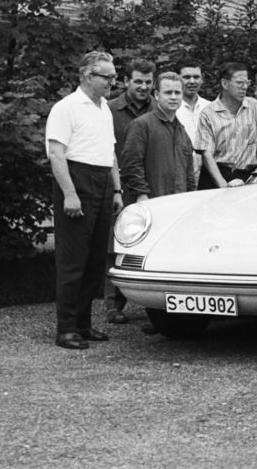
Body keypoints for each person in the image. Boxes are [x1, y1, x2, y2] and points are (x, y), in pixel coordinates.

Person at [45, 50, 124, 350]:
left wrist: (116, 190)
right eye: (108, 77)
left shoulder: (104, 108)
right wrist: (69, 194)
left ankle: (83, 324)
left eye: (114, 76)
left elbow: (110, 152)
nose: (112, 82)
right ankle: (66, 329)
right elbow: (56, 153)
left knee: (94, 261)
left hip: (102, 181)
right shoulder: (66, 108)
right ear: (88, 76)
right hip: (77, 180)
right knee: (73, 261)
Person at [104, 57, 155, 325]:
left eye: (148, 82)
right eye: (138, 81)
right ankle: (114, 304)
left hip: (150, 185)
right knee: (117, 244)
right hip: (121, 185)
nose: (143, 87)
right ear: (126, 82)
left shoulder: (159, 109)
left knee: (151, 244)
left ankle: (153, 307)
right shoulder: (110, 109)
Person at [119, 71, 197, 202]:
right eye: (168, 92)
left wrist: (190, 199)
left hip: (178, 204)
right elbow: (131, 165)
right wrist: (141, 195)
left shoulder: (182, 132)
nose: (173, 97)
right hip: (149, 204)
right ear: (156, 95)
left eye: (177, 93)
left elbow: (189, 175)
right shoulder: (142, 125)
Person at [195, 62, 257, 189]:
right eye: (239, 83)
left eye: (247, 82)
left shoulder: (254, 106)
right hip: (216, 177)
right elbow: (207, 155)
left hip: (248, 176)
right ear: (225, 84)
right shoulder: (208, 114)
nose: (244, 87)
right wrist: (223, 185)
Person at [175, 62, 212, 185]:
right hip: (179, 177)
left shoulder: (211, 108)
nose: (192, 81)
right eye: (186, 77)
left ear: (202, 80)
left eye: (196, 77)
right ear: (178, 79)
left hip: (208, 177)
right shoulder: (172, 109)